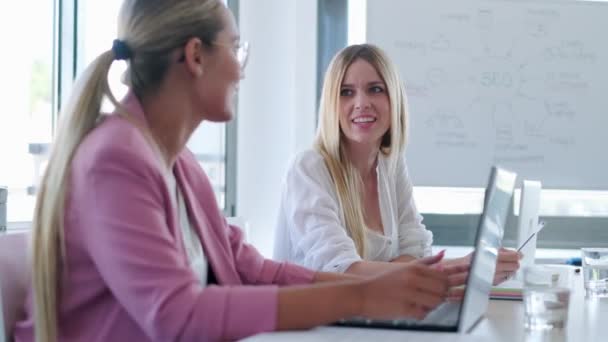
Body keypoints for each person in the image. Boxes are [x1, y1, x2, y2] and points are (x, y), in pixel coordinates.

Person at [13, 2, 467, 342]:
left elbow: (251, 269)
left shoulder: (180, 164)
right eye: (236, 49)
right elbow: (177, 315)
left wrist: (378, 284)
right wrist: (361, 297)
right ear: (195, 56)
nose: (241, 70)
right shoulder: (115, 160)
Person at [273, 44, 520, 285]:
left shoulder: (390, 164)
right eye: (346, 92)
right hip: (315, 323)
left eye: (375, 89)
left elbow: (416, 248)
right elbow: (341, 272)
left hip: (371, 317)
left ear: (394, 99)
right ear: (331, 105)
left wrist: (392, 276)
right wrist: (460, 268)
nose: (361, 103)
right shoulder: (308, 169)